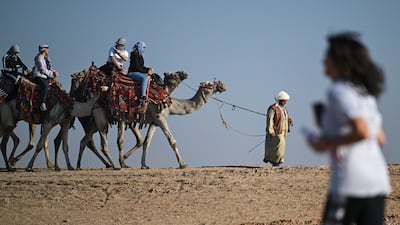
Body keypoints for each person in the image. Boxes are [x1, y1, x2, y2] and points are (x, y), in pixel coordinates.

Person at [306, 32, 391, 225]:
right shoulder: (365, 93)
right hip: (377, 181)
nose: (323, 60)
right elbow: (380, 139)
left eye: (327, 56)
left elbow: (362, 132)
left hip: (350, 182)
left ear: (339, 62)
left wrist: (325, 142)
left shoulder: (338, 91)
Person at [263, 91, 292, 166]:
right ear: (280, 100)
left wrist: (289, 121)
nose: (285, 102)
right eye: (284, 101)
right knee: (279, 146)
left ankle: (278, 160)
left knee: (281, 146)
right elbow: (270, 119)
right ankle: (275, 161)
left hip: (284, 130)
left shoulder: (284, 109)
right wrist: (270, 130)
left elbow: (284, 118)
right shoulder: (273, 108)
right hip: (276, 131)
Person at [32, 44, 58, 111]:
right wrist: (52, 74)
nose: (48, 50)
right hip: (39, 76)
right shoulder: (39, 58)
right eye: (47, 49)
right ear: (44, 49)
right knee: (45, 85)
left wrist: (54, 72)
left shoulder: (45, 58)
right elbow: (42, 69)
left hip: (46, 76)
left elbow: (49, 67)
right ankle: (42, 103)